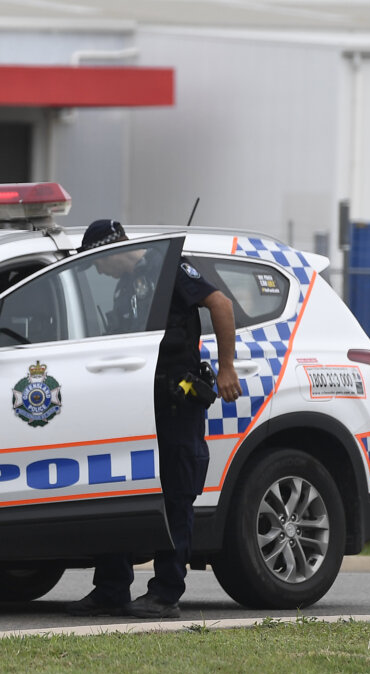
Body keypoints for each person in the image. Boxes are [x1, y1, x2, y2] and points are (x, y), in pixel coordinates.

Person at [67, 219, 240, 619]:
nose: (97, 270)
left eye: (98, 261)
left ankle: (165, 593)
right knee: (122, 489)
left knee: (176, 494)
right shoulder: (125, 286)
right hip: (137, 404)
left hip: (176, 403)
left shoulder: (169, 268)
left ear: (112, 250)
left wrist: (227, 367)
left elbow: (221, 303)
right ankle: (112, 588)